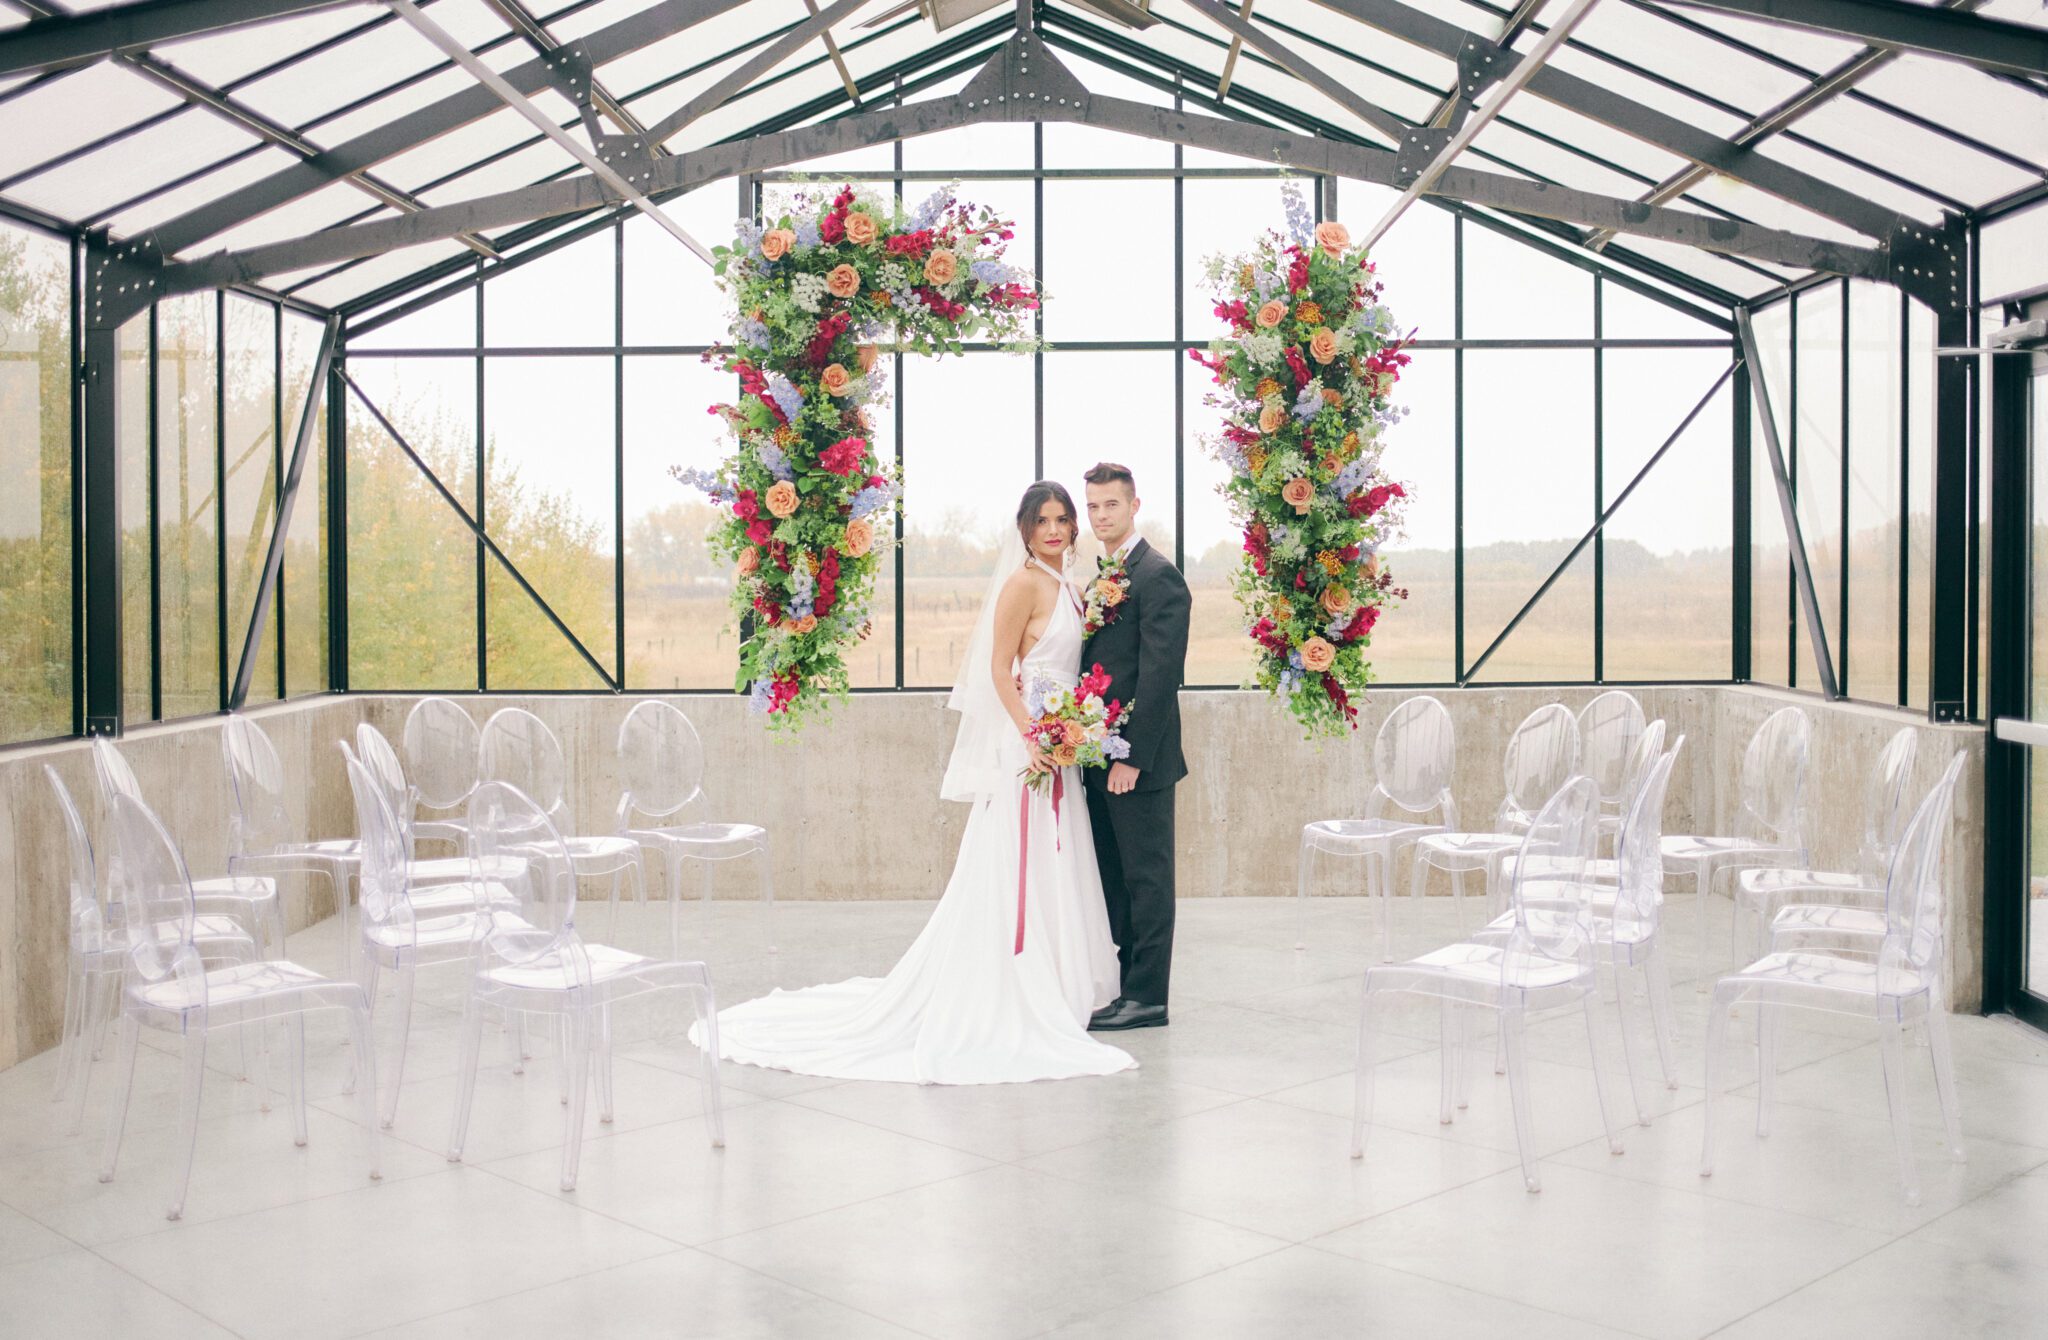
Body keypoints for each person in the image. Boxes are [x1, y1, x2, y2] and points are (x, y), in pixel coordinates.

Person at [689, 481, 1135, 1084]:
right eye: (1042, 521)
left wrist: (1074, 731)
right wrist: (1036, 735)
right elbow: (999, 672)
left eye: (1062, 519)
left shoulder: (1073, 589)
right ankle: (1011, 980)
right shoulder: (1023, 584)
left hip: (1064, 745)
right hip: (1028, 746)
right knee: (1017, 857)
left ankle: (1061, 981)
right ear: (1025, 529)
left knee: (1061, 856)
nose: (1054, 530)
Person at [1077, 462, 1191, 1032]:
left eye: (1111, 506)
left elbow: (1159, 677)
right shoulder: (1106, 574)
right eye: (1093, 507)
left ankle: (1149, 998)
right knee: (1114, 877)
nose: (1101, 516)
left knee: (1147, 879)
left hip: (1135, 763)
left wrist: (1131, 756)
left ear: (1134, 505)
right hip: (1098, 758)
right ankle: (1126, 989)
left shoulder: (1157, 576)